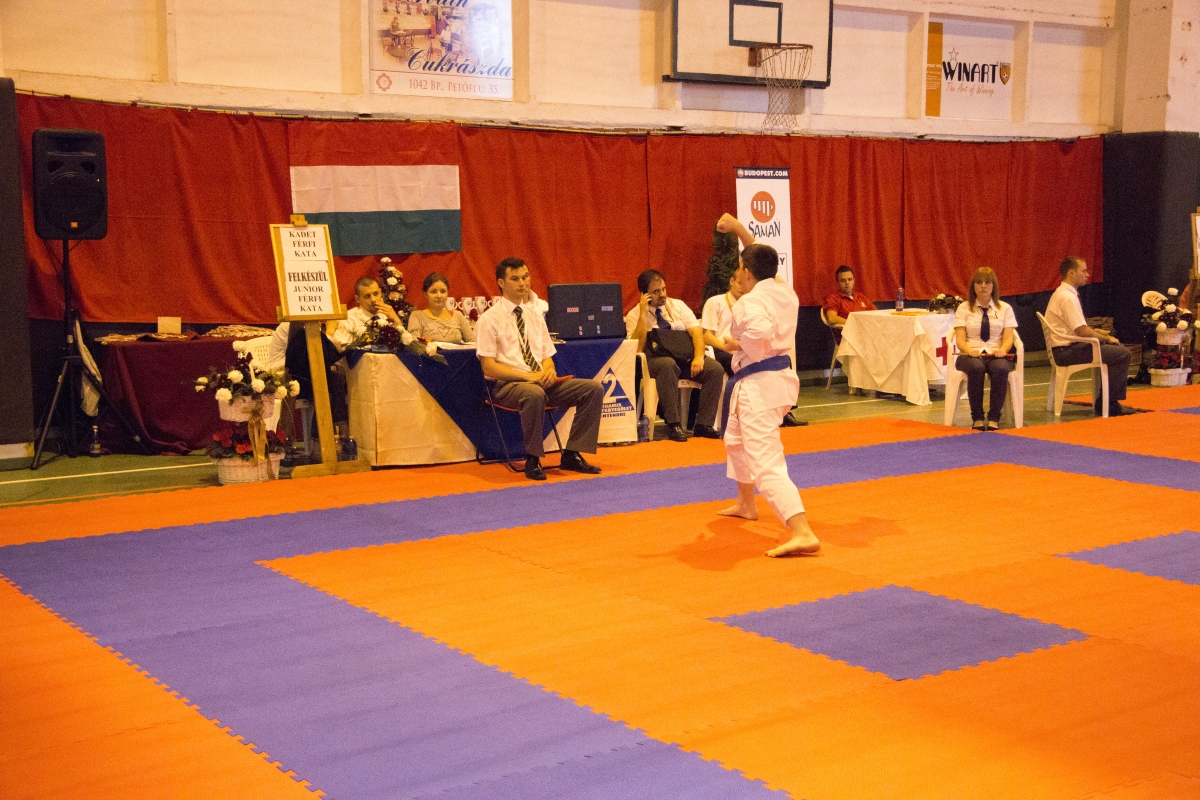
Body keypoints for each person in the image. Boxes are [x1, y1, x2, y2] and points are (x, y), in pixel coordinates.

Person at [712, 214, 819, 558]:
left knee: (765, 460)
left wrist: (739, 344)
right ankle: (746, 503)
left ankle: (801, 530)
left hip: (759, 382)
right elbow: (757, 256)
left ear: (746, 271)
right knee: (735, 440)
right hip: (774, 380)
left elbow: (758, 334)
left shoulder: (750, 301)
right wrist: (739, 229)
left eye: (741, 267)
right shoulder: (784, 291)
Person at [476, 258, 604, 481]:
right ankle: (533, 458)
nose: (522, 283)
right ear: (501, 283)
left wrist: (548, 371)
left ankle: (572, 453)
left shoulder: (535, 316)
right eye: (515, 279)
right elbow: (488, 367)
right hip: (509, 385)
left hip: (540, 381)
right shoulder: (489, 319)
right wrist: (529, 377)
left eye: (525, 277)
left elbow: (547, 357)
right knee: (534, 393)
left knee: (592, 389)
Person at [624, 269, 725, 442]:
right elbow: (637, 348)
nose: (662, 294)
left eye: (663, 289)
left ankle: (703, 425)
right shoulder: (634, 315)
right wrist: (642, 314)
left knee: (715, 369)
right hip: (655, 361)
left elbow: (696, 333)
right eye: (656, 292)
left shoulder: (678, 306)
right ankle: (673, 425)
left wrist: (698, 357)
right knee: (667, 364)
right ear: (644, 295)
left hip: (685, 356)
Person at [1045, 257, 1136, 416]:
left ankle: (1105, 401)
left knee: (1112, 348)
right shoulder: (1067, 297)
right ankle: (1109, 403)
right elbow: (1082, 331)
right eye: (1084, 271)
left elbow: (1080, 329)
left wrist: (1101, 335)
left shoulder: (1062, 293)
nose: (1087, 274)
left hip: (1064, 349)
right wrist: (1106, 338)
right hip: (1066, 352)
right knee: (1122, 354)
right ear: (1071, 273)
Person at [953, 267, 1018, 431]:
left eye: (987, 282)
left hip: (995, 353)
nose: (983, 286)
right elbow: (960, 340)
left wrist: (1003, 350)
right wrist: (969, 350)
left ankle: (994, 417)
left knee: (1001, 368)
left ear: (993, 285)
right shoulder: (963, 308)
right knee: (976, 367)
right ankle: (977, 417)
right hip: (970, 354)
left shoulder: (1005, 308)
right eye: (979, 282)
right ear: (973, 286)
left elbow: (1008, 338)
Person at [332, 276, 404, 351]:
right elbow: (341, 348)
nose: (373, 299)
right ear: (357, 299)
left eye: (375, 294)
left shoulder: (386, 314)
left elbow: (404, 345)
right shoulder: (348, 319)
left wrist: (396, 320)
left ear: (380, 293)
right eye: (367, 296)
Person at [407, 272, 475, 343]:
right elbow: (414, 345)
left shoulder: (458, 315)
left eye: (443, 291)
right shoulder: (417, 316)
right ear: (425, 294)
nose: (439, 296)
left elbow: (472, 342)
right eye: (433, 292)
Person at [701, 272, 742, 377]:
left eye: (745, 284)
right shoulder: (715, 302)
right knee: (736, 363)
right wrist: (728, 348)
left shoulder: (749, 306)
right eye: (739, 283)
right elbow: (707, 336)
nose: (742, 288)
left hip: (741, 349)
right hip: (719, 349)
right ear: (731, 281)